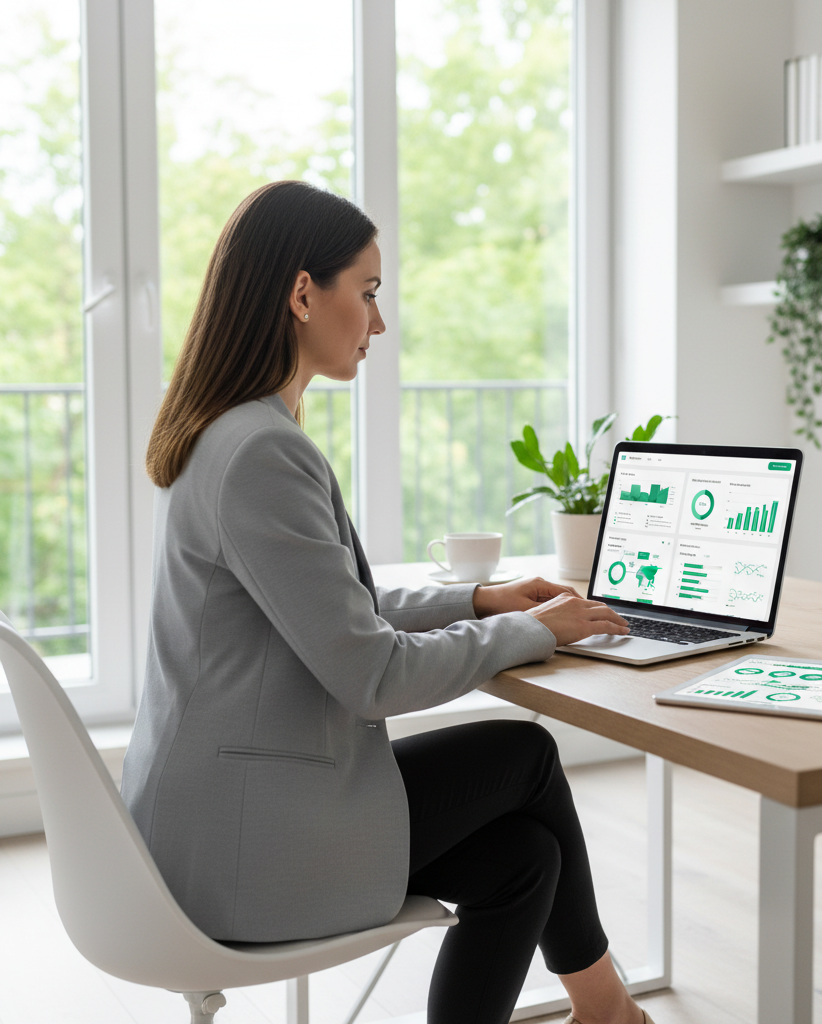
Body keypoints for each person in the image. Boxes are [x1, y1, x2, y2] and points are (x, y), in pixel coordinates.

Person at [121, 180, 652, 1024]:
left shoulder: (230, 429)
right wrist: (531, 630)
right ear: (303, 294)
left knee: (523, 856)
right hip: (242, 846)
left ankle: (607, 1013)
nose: (378, 322)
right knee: (524, 755)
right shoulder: (260, 452)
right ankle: (612, 1014)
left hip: (218, 817)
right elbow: (372, 677)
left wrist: (478, 600)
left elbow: (336, 608)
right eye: (367, 293)